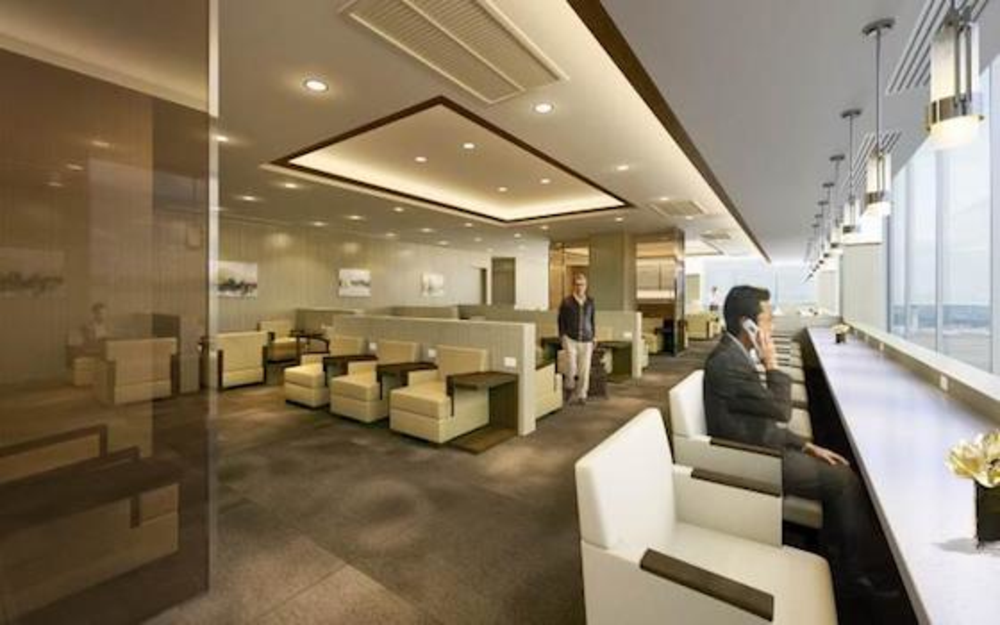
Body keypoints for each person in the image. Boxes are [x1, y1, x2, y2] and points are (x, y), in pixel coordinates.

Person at [703, 285, 891, 600]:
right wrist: (772, 364)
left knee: (835, 467)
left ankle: (840, 555)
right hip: (752, 457)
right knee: (845, 480)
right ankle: (854, 577)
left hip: (761, 441)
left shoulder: (734, 354)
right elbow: (781, 410)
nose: (773, 325)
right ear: (748, 324)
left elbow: (759, 416)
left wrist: (804, 445)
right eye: (767, 319)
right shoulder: (727, 363)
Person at [558, 273, 596, 405]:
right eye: (578, 284)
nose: (580, 287)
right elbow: (561, 321)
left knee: (584, 369)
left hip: (587, 339)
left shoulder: (590, 302)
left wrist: (594, 336)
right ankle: (569, 387)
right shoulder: (566, 302)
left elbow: (592, 320)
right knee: (571, 368)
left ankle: (582, 395)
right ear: (574, 286)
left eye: (582, 285)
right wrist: (562, 336)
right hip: (570, 339)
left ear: (586, 286)